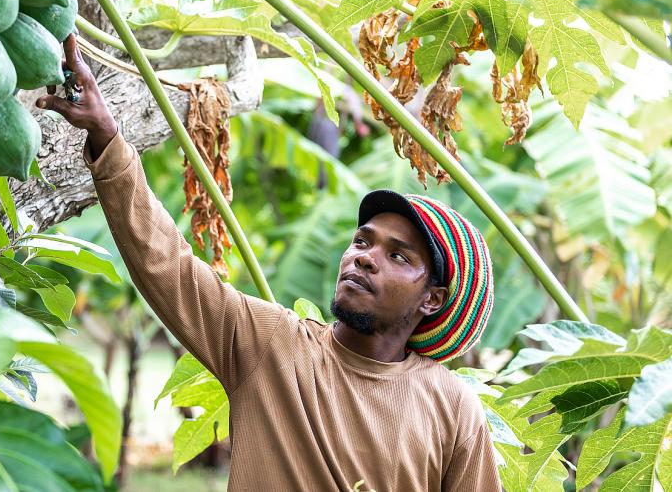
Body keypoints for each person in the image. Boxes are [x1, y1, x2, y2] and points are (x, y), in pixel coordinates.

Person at [37, 35, 502, 491]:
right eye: (362, 241)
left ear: (432, 299)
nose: (364, 258)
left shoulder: (453, 409)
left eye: (397, 255)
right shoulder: (272, 344)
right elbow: (166, 264)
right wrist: (106, 134)